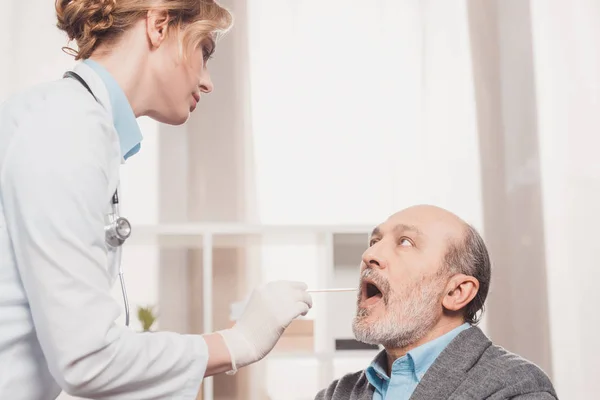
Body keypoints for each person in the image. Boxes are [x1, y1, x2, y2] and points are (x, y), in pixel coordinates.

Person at [0, 1, 313, 399]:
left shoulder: (64, 118)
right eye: (205, 51)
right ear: (160, 25)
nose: (207, 81)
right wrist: (237, 343)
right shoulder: (67, 127)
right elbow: (86, 359)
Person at [315, 205, 557, 400]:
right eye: (374, 241)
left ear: (456, 292)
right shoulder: (338, 394)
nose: (369, 255)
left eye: (405, 242)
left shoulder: (517, 388)